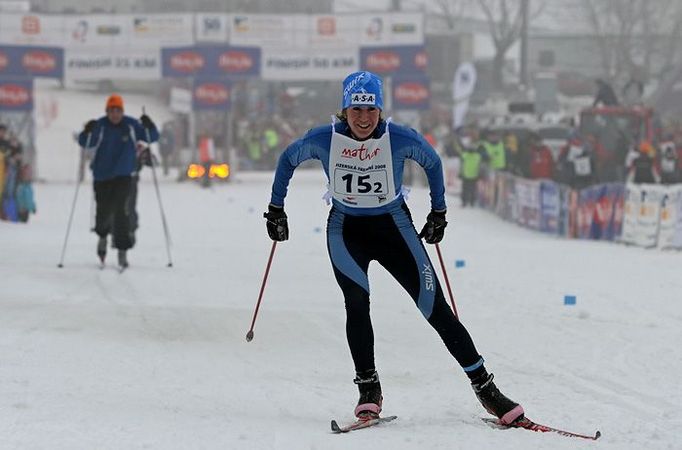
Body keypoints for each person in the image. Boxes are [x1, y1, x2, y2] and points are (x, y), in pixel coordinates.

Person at [263, 71, 524, 425]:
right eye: (356, 109)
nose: (363, 118)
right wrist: (276, 209)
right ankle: (368, 389)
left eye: (371, 110)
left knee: (435, 308)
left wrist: (439, 211)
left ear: (380, 110)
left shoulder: (398, 138)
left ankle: (487, 389)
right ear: (344, 109)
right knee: (356, 304)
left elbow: (432, 162)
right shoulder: (324, 139)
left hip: (394, 229)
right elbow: (287, 160)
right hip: (346, 230)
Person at [78, 94, 159, 268]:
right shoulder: (100, 125)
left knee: (122, 212)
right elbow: (85, 142)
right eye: (111, 111)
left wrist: (148, 124)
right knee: (103, 211)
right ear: (107, 112)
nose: (115, 115)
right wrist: (86, 130)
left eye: (118, 111)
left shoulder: (131, 125)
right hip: (102, 177)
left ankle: (123, 250)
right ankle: (102, 236)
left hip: (123, 176)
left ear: (122, 112)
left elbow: (152, 137)